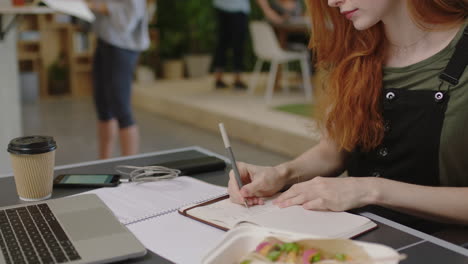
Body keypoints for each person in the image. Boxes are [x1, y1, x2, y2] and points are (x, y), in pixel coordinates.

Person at [228, 0, 468, 237]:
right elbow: (333, 152)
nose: (332, 2)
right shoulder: (355, 50)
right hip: (355, 240)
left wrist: (370, 189)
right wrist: (281, 174)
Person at [86, 0, 149, 159]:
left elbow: (129, 18)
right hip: (104, 40)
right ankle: (103, 165)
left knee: (121, 108)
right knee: (103, 107)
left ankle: (130, 172)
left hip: (123, 45)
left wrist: (99, 6)